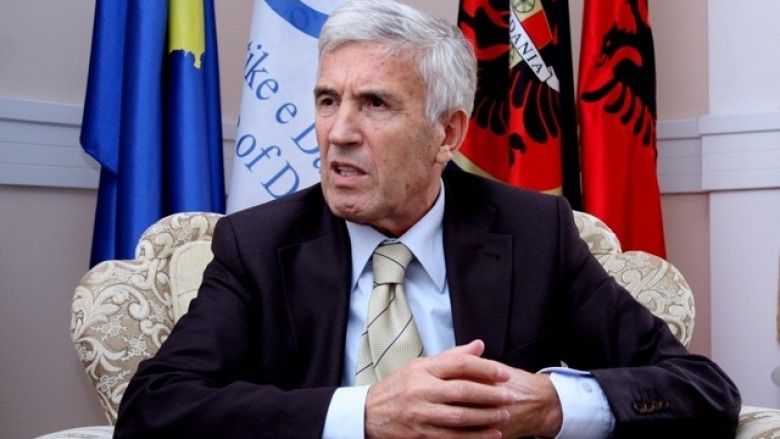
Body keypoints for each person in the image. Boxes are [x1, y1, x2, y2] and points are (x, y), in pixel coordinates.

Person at [114, 1, 740, 437]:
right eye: (328, 101)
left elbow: (702, 390)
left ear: (447, 134)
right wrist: (364, 415)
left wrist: (555, 404)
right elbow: (152, 409)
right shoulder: (258, 244)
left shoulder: (534, 233)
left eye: (374, 104)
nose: (338, 133)